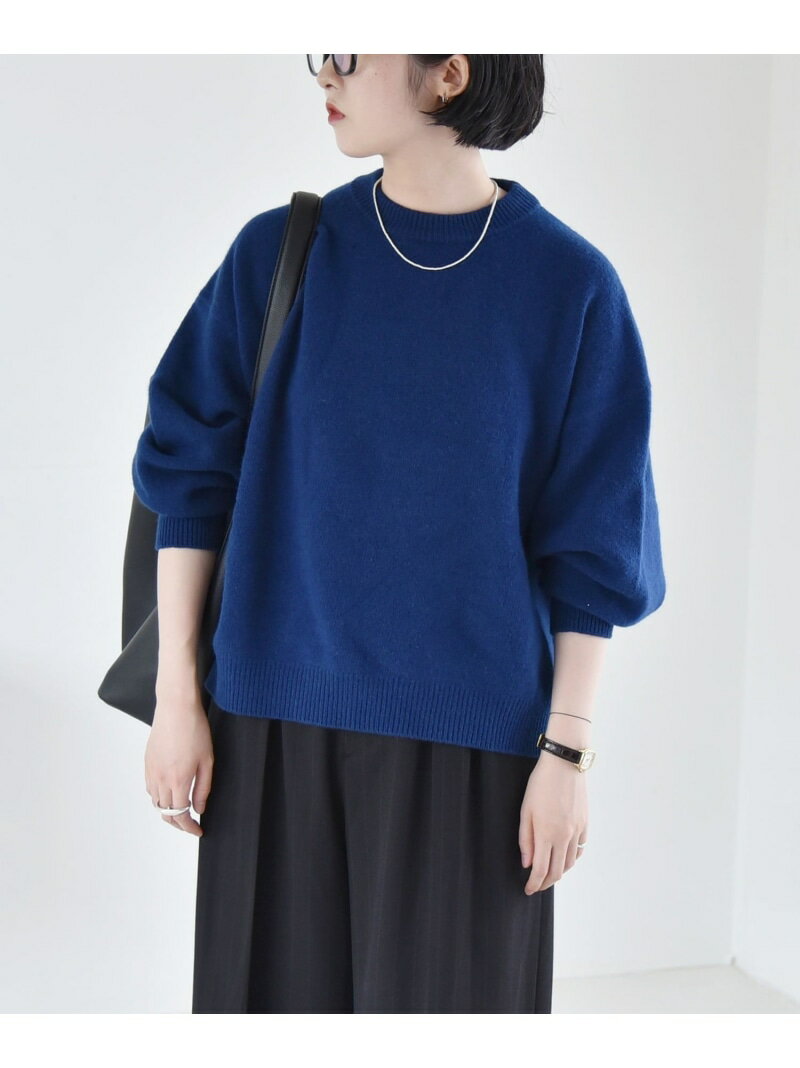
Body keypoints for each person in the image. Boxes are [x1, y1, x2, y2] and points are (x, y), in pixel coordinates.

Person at [132, 54, 667, 1013]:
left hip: (474, 756)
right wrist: (179, 698)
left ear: (449, 72)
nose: (324, 73)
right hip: (270, 738)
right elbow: (189, 480)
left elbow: (595, 552)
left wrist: (566, 758)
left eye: (352, 47)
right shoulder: (279, 254)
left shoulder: (571, 287)